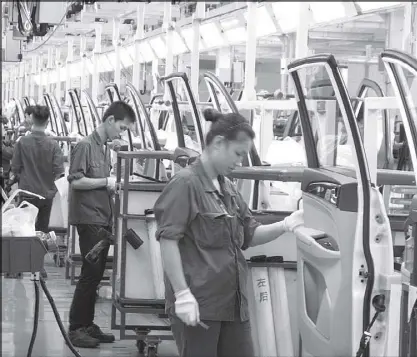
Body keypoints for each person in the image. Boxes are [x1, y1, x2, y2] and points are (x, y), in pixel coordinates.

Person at [154, 108, 304, 357]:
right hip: (201, 306)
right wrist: (182, 294)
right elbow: (168, 241)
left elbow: (249, 236)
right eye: (238, 154)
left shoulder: (229, 190)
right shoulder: (185, 184)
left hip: (233, 304)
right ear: (218, 144)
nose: (240, 162)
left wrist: (286, 225)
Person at [67, 101, 136, 349]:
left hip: (102, 219)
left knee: (95, 276)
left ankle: (87, 324)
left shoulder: (105, 149)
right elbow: (75, 182)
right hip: (89, 219)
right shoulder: (85, 146)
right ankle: (76, 328)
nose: (121, 132)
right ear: (109, 121)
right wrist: (105, 181)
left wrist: (111, 182)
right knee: (90, 275)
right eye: (122, 127)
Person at [11, 105, 64, 232]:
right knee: (43, 232)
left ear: (32, 118)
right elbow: (59, 173)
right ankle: (41, 252)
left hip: (27, 193)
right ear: (48, 122)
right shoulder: (53, 145)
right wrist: (52, 191)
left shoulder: (22, 142)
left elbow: (15, 168)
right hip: (46, 195)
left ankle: (26, 252)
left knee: (24, 231)